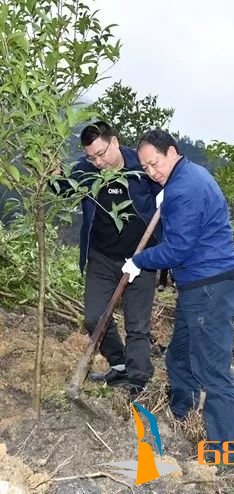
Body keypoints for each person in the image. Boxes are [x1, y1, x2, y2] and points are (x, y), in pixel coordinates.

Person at [122, 130, 234, 460]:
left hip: (210, 286)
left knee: (212, 369)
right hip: (202, 285)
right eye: (145, 168)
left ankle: (225, 453)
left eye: (155, 163)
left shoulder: (184, 188)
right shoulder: (189, 175)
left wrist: (138, 261)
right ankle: (183, 416)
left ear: (172, 152)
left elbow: (176, 250)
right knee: (179, 355)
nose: (152, 172)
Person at [54, 121, 162, 398]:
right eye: (92, 156)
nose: (98, 161)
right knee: (93, 318)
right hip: (102, 257)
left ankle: (138, 381)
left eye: (102, 153)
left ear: (114, 142)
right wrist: (54, 175)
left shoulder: (141, 166)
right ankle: (119, 364)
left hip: (141, 257)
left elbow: (165, 193)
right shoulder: (86, 169)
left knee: (137, 324)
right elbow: (66, 189)